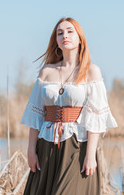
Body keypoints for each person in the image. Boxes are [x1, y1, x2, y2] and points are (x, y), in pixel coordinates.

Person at [20, 17, 118, 195]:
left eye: (70, 31)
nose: (65, 35)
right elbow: (36, 115)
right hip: (46, 146)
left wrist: (90, 155)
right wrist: (31, 151)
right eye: (60, 33)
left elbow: (95, 118)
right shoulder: (46, 72)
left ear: (80, 38)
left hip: (77, 147)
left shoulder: (91, 71)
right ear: (56, 41)